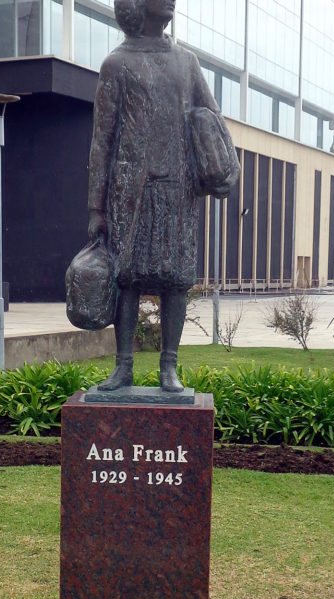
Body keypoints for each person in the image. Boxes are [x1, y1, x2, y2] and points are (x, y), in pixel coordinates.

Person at [87, 0, 231, 393]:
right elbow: (102, 142)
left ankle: (170, 366)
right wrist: (96, 207)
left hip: (178, 189)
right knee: (127, 280)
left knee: (176, 282)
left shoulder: (187, 62)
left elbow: (212, 119)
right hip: (129, 190)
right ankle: (124, 367)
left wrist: (217, 165)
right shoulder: (117, 64)